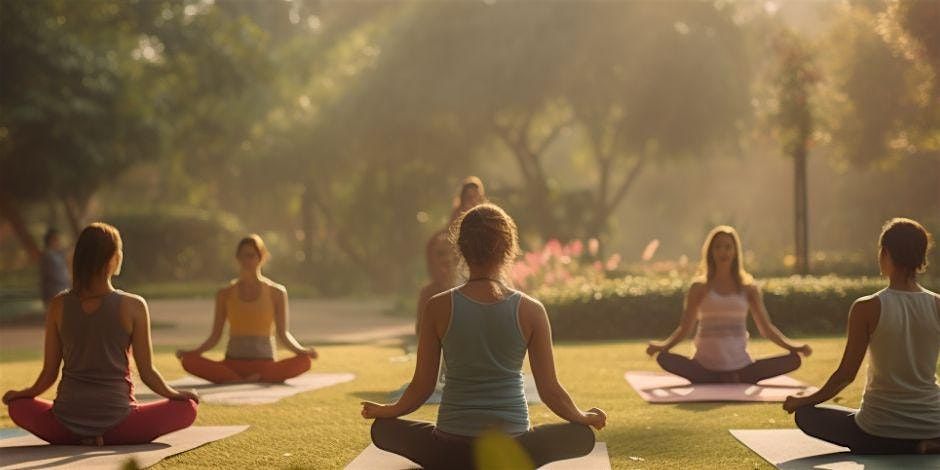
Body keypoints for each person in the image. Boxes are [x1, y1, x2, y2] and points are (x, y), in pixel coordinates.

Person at [362, 204, 605, 470]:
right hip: (514, 450)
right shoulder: (531, 310)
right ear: (509, 247)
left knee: (383, 430)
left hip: (448, 452)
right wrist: (582, 417)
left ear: (461, 249)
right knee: (581, 436)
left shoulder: (437, 307)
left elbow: (422, 387)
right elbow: (550, 391)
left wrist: (386, 412)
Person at [4, 223, 198, 446]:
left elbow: (49, 373)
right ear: (114, 257)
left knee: (18, 407)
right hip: (121, 424)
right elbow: (147, 373)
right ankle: (104, 437)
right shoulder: (134, 306)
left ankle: (82, 437)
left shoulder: (58, 305)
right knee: (187, 409)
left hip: (64, 425)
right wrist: (174, 395)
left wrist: (23, 394)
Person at [784, 218, 940, 454]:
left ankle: (896, 444)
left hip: (876, 427)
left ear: (885, 254)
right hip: (933, 425)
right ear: (921, 257)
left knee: (805, 416)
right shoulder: (937, 304)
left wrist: (803, 400)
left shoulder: (866, 307)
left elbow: (846, 375)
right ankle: (920, 444)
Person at [646, 226, 812, 383]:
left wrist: (793, 346)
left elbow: (766, 328)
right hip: (703, 366)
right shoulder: (699, 287)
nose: (723, 252)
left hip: (741, 365)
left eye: (727, 247)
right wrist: (663, 346)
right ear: (711, 252)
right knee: (664, 357)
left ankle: (724, 377)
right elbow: (685, 328)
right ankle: (722, 377)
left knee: (793, 360)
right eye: (717, 247)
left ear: (735, 251)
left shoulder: (749, 288)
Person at [176, 234, 318, 383]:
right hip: (232, 364)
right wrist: (192, 353)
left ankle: (243, 379)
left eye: (251, 256)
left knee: (304, 361)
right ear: (237, 258)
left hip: (265, 364)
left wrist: (302, 351)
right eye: (243, 256)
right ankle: (243, 379)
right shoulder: (224, 293)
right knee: (188, 361)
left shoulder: (277, 292)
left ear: (261, 257)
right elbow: (215, 336)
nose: (247, 261)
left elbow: (283, 334)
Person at [39, 227, 71, 307]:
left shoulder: (58, 254)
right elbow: (57, 276)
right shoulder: (48, 256)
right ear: (50, 241)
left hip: (62, 292)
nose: (59, 242)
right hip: (53, 294)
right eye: (56, 239)